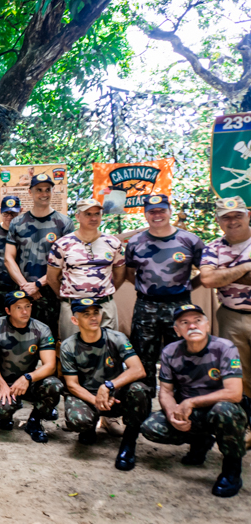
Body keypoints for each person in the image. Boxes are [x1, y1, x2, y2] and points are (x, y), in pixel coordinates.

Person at [140, 305, 247, 497]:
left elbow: (234, 393)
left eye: (198, 320)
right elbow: (165, 391)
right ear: (177, 330)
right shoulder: (170, 352)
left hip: (220, 411)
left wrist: (191, 402)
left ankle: (232, 470)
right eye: (184, 323)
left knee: (225, 410)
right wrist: (173, 414)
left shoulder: (225, 348)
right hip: (191, 413)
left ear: (207, 325)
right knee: (151, 426)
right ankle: (201, 441)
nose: (192, 326)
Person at [125, 195, 205, 387]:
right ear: (145, 215)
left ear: (170, 211)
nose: (157, 215)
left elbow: (207, 272)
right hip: (146, 306)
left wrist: (187, 287)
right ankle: (143, 406)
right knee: (143, 357)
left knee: (182, 355)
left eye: (161, 210)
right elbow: (129, 273)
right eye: (152, 212)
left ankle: (179, 406)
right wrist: (146, 288)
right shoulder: (135, 242)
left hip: (180, 306)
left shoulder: (190, 240)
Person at [60, 298, 149, 471]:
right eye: (86, 314)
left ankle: (129, 444)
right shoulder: (68, 346)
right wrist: (96, 401)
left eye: (96, 313)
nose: (93, 318)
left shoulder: (116, 338)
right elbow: (72, 385)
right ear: (74, 320)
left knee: (139, 390)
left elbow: (138, 370)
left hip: (114, 396)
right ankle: (89, 427)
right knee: (78, 421)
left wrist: (108, 386)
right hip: (88, 398)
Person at [0, 291, 61, 443]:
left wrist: (28, 377)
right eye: (19, 307)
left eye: (27, 306)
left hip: (27, 383)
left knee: (54, 385)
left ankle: (34, 421)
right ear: (8, 310)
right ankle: (6, 416)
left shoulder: (41, 329)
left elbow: (50, 365)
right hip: (1, 382)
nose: (25, 311)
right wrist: (1, 385)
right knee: (4, 410)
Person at [4, 174, 74, 335]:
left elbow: (66, 261)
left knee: (52, 339)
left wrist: (37, 285)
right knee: (21, 339)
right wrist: (26, 286)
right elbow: (9, 258)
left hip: (51, 292)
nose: (44, 194)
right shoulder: (17, 223)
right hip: (22, 293)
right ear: (30, 192)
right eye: (39, 190)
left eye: (47, 190)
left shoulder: (64, 223)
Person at [46, 198, 125, 340]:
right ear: (77, 216)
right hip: (73, 307)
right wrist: (67, 296)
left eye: (97, 214)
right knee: (72, 352)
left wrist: (103, 293)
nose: (93, 218)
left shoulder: (113, 243)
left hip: (103, 307)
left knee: (107, 352)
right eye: (88, 214)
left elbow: (120, 274)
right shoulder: (63, 244)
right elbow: (52, 278)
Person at [200, 196, 251, 405]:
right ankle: (247, 425)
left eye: (237, 215)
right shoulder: (213, 248)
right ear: (218, 221)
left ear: (248, 215)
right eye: (226, 217)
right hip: (231, 318)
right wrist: (246, 267)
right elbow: (207, 279)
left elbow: (216, 276)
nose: (232, 221)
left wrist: (225, 273)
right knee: (239, 375)